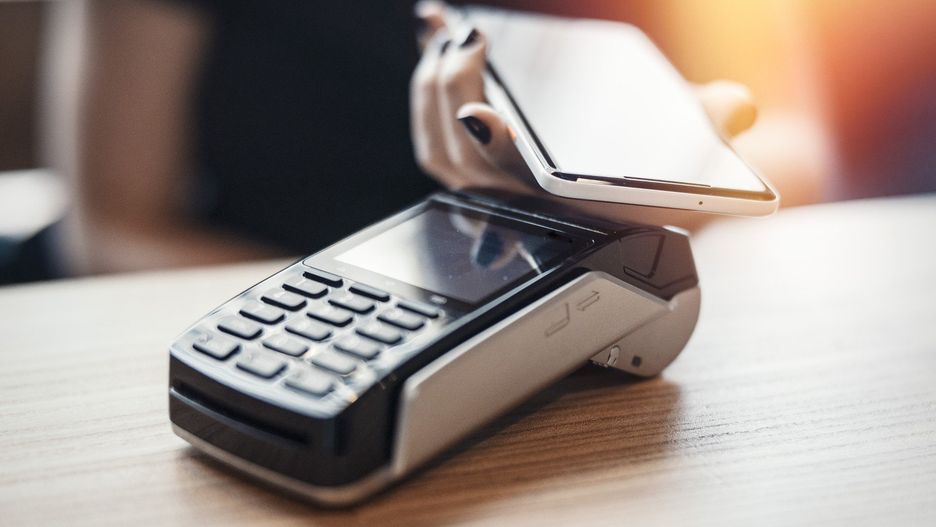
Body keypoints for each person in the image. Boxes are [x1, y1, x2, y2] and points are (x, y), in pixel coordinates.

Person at [57, 0, 780, 276]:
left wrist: (674, 171)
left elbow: (791, 142)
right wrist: (398, 300)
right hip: (246, 305)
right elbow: (113, 228)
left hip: (546, 332)